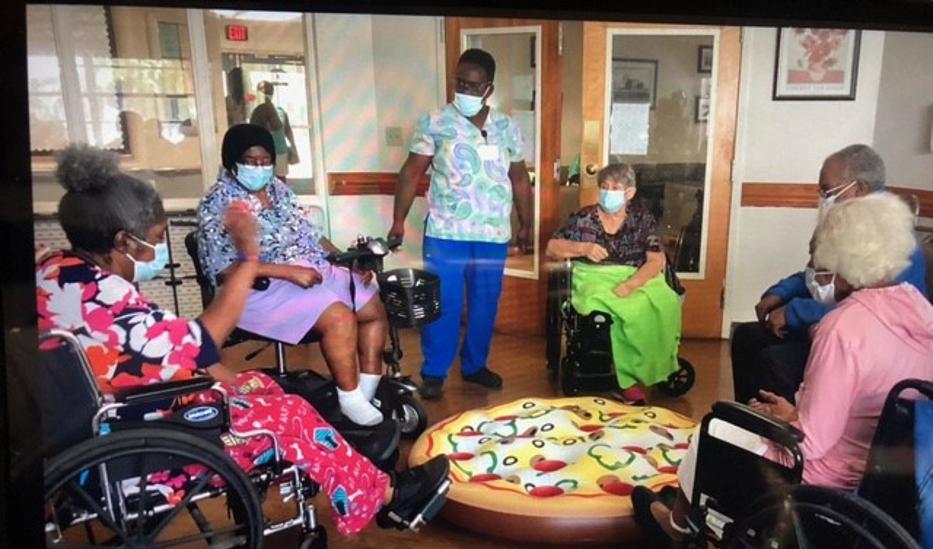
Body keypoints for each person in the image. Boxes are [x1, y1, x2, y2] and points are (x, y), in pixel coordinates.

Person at [37, 144, 449, 536]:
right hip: (140, 445)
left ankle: (319, 469)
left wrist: (227, 379)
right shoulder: (110, 301)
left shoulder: (55, 272)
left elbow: (166, 352)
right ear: (123, 242)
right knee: (291, 413)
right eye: (158, 238)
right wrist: (249, 256)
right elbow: (199, 343)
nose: (162, 248)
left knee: (263, 384)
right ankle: (386, 497)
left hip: (107, 417)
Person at [634, 191, 933, 546]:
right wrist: (790, 412)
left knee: (713, 429)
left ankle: (678, 527)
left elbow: (812, 443)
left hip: (825, 483)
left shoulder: (844, 329)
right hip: (888, 486)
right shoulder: (920, 311)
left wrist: (786, 419)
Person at [198, 124, 386, 427]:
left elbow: (311, 235)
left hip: (309, 270)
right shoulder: (217, 203)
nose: (259, 168)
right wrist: (287, 272)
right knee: (339, 317)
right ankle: (350, 399)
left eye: (265, 161)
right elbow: (222, 271)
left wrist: (346, 261)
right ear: (232, 161)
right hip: (257, 287)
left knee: (372, 306)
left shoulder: (279, 190)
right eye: (250, 161)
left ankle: (365, 392)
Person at [731, 144, 928, 404]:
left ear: (858, 188)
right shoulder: (848, 221)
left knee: (774, 362)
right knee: (747, 337)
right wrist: (781, 293)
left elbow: (866, 314)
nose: (823, 198)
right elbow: (818, 274)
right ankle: (743, 420)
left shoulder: (893, 242)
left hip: (869, 342)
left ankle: (784, 423)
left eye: (827, 190)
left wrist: (794, 312)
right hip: (832, 323)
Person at [389, 48, 533, 400]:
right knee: (443, 302)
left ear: (489, 88)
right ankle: (435, 371)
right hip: (446, 232)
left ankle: (475, 365)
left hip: (492, 233)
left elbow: (519, 178)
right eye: (460, 83)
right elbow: (411, 173)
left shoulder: (506, 126)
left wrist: (526, 223)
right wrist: (398, 221)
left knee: (485, 302)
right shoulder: (435, 122)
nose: (465, 90)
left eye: (473, 85)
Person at [546, 163, 681, 404]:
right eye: (605, 186)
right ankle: (625, 380)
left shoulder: (642, 219)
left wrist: (631, 284)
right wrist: (583, 248)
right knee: (617, 309)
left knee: (665, 302)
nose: (608, 192)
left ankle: (654, 366)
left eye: (616, 188)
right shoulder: (584, 218)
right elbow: (552, 247)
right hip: (593, 275)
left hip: (634, 274)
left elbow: (656, 260)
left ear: (630, 193)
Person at [250, 80, 297, 182]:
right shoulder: (280, 111)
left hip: (265, 152)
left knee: (265, 181)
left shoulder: (257, 112)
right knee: (280, 180)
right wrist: (294, 149)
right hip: (280, 150)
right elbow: (288, 131)